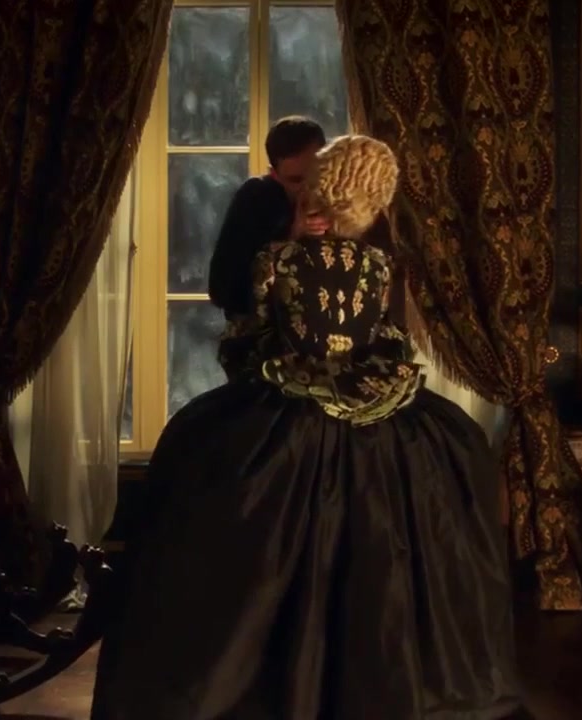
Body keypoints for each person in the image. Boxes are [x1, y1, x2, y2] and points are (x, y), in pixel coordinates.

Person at [91, 135, 527, 719]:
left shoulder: (278, 259)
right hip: (381, 418)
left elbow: (254, 338)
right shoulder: (378, 265)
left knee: (224, 507)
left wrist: (291, 252)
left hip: (286, 415)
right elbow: (384, 342)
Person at [207, 115, 330, 319]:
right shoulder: (255, 199)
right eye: (297, 180)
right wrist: (291, 237)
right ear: (275, 174)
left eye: (316, 175)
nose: (309, 187)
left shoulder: (341, 195)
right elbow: (223, 291)